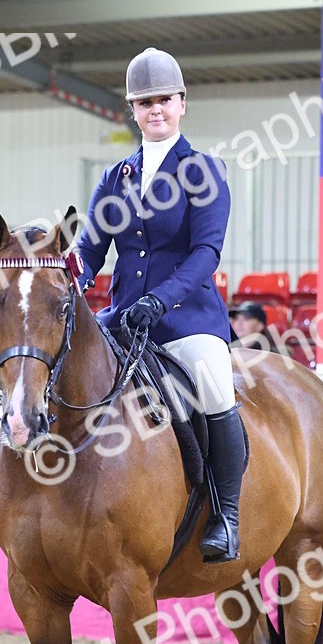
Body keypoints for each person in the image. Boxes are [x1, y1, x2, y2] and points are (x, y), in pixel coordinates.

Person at [73, 46, 242, 564]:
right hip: (123, 319)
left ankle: (226, 515)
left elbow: (205, 254)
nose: (155, 110)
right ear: (132, 109)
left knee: (214, 388)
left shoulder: (204, 170)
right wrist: (61, 278)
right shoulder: (114, 179)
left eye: (164, 100)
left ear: (182, 103)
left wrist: (159, 300)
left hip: (188, 319)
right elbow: (89, 251)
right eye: (144, 102)